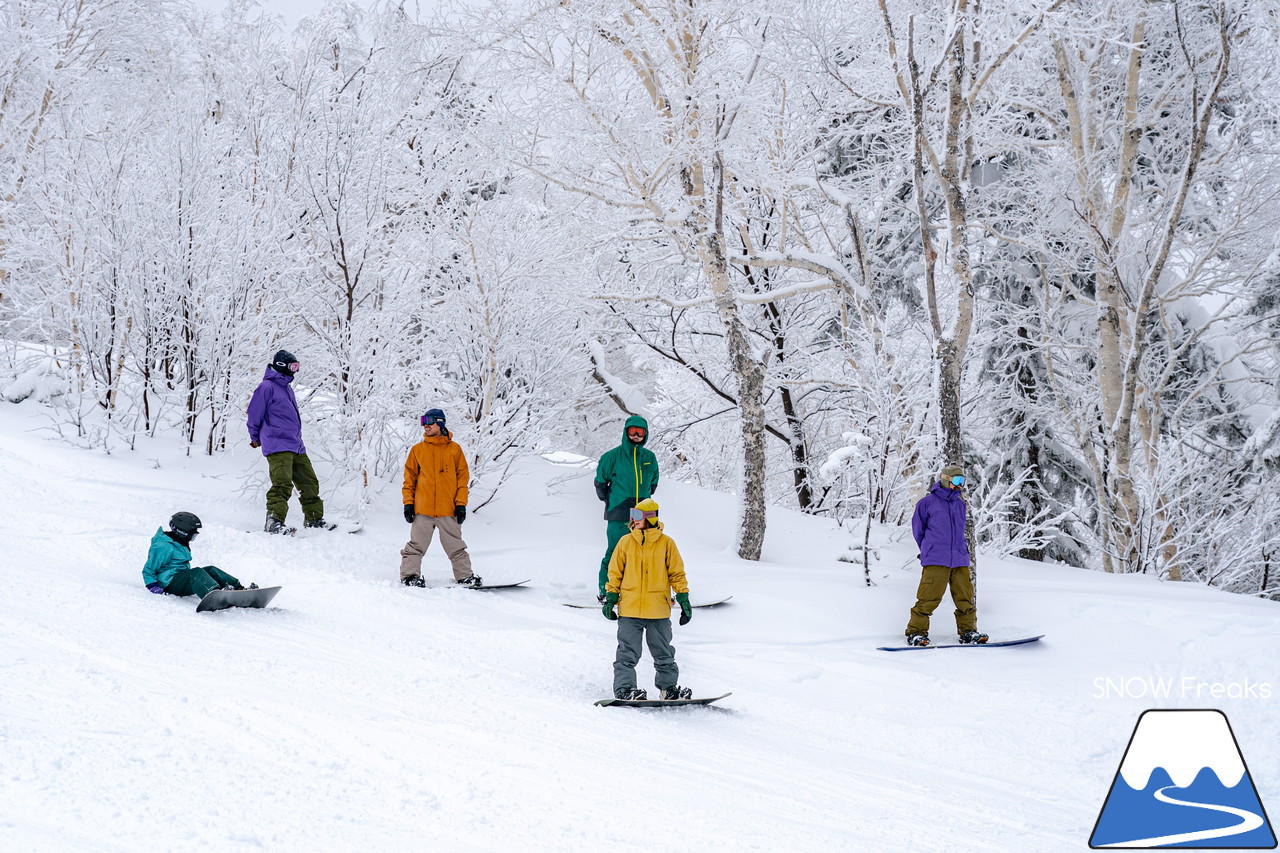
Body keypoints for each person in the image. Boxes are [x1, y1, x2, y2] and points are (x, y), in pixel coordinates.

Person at [602, 498, 693, 701]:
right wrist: (610, 598)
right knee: (627, 653)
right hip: (630, 609)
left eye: (637, 516)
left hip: (658, 610)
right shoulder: (625, 542)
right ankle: (625, 689)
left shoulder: (667, 543)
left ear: (650, 518)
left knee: (664, 654)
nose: (633, 520)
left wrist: (684, 598)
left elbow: (677, 573)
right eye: (632, 516)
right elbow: (614, 572)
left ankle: (668, 688)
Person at [246, 349, 330, 535]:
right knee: (282, 484)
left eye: (297, 366)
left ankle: (314, 519)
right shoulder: (266, 387)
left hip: (295, 444)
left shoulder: (286, 387)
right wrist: (255, 437)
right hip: (277, 445)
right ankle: (274, 522)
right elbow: (254, 413)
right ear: (283, 366)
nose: (296, 370)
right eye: (294, 366)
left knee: (309, 482)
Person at [904, 464, 989, 646]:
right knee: (928, 598)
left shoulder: (960, 504)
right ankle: (916, 633)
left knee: (965, 598)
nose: (960, 485)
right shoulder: (927, 503)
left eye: (963, 481)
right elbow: (918, 530)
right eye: (957, 481)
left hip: (959, 559)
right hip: (936, 558)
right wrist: (929, 549)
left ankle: (968, 632)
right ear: (945, 479)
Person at [400, 408, 480, 588]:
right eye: (423, 421)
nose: (425, 425)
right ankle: (410, 576)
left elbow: (462, 480)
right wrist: (408, 504)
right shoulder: (417, 450)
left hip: (448, 510)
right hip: (423, 509)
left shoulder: (455, 450)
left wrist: (461, 504)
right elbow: (409, 480)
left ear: (440, 423)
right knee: (415, 546)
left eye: (429, 421)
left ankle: (465, 576)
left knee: (456, 546)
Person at [594, 415, 658, 602]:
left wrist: (644, 503)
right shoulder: (612, 457)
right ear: (626, 432)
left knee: (648, 551)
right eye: (633, 432)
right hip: (619, 510)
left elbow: (653, 483)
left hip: (644, 510)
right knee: (615, 551)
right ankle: (606, 590)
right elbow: (600, 484)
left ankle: (642, 589)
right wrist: (613, 501)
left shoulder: (649, 457)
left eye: (641, 432)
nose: (637, 436)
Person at [142, 512, 255, 600]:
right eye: (192, 535)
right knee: (196, 573)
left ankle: (238, 589)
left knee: (211, 570)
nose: (193, 538)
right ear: (182, 532)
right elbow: (149, 569)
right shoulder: (164, 546)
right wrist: (152, 585)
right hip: (168, 583)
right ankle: (213, 594)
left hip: (180, 579)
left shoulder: (179, 542)